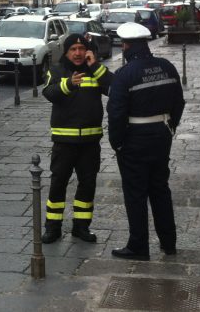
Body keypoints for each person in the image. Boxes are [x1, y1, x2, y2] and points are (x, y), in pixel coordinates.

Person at [107, 22, 185, 260]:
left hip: (134, 139)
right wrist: (170, 126)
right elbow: (179, 102)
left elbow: (116, 113)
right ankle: (168, 243)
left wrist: (116, 142)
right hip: (162, 135)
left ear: (127, 45)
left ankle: (138, 246)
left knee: (136, 193)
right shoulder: (167, 67)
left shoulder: (124, 75)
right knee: (160, 189)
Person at [41, 33, 113, 243]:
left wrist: (96, 66)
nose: (78, 53)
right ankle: (53, 228)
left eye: (82, 49)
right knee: (58, 185)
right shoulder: (57, 70)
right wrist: (69, 84)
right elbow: (49, 93)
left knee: (87, 185)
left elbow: (114, 87)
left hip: (90, 143)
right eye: (73, 49)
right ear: (66, 51)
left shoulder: (95, 70)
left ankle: (81, 227)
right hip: (64, 142)